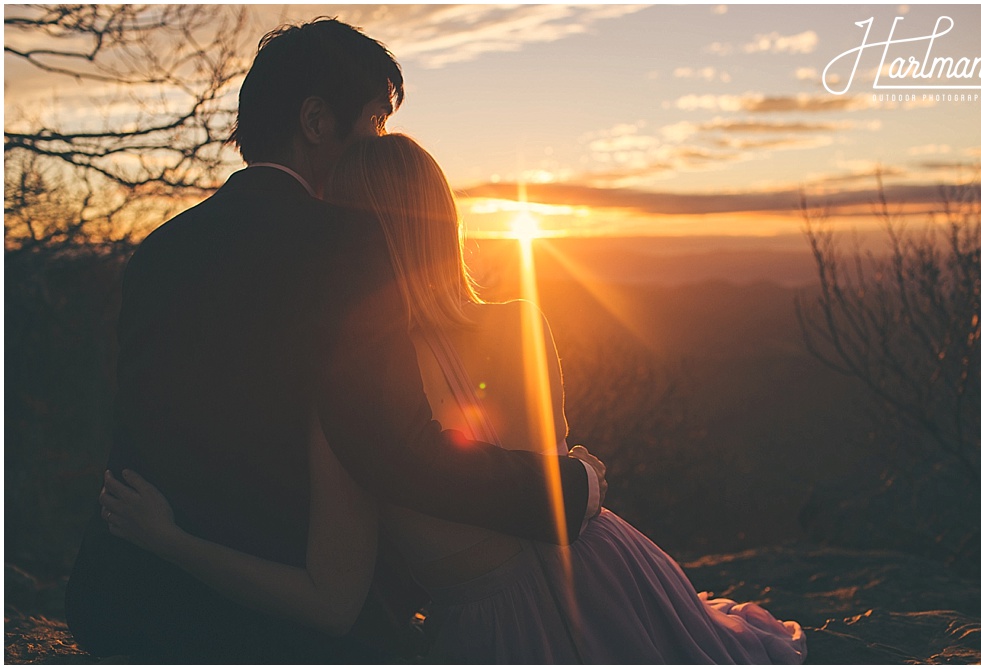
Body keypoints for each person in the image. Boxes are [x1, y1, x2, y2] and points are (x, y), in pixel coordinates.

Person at [100, 133, 808, 663]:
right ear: (443, 218)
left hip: (519, 619)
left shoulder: (345, 387)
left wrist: (174, 541)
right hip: (604, 581)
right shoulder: (511, 322)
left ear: (339, 234)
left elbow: (328, 599)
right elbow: (545, 494)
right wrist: (582, 477)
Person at [65, 19, 604, 664]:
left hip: (125, 597)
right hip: (263, 623)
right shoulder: (347, 247)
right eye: (374, 123)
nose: (381, 144)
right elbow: (396, 450)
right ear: (317, 122)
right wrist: (567, 491)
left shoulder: (159, 250)